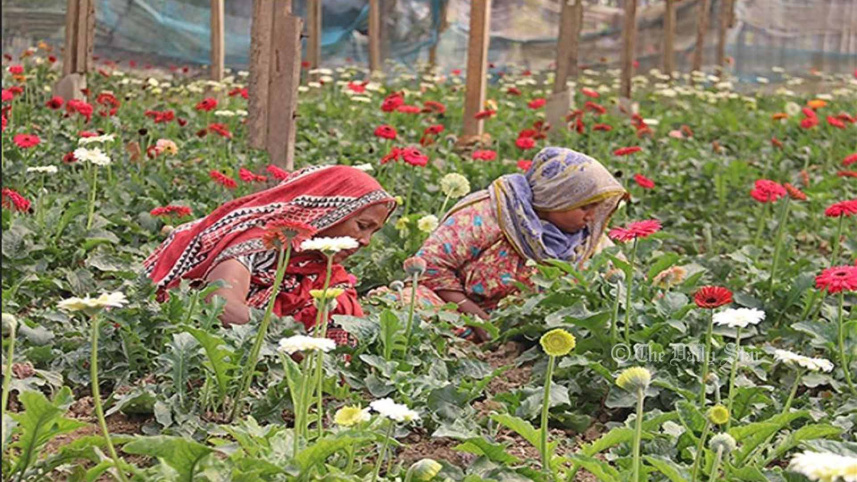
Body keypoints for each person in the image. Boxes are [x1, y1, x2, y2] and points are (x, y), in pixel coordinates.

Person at [144, 165, 396, 344]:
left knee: (336, 301)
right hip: (222, 347)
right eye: (362, 226)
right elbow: (221, 305)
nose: (365, 241)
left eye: (374, 232)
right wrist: (291, 343)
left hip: (274, 349)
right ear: (329, 212)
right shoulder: (258, 241)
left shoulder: (314, 262)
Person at [401, 147, 628, 341]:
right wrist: (480, 322)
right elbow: (430, 265)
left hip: (537, 336)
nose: (592, 216)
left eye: (597, 207)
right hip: (459, 315)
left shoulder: (588, 239)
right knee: (407, 306)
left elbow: (624, 285)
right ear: (555, 198)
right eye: (584, 207)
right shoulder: (490, 214)